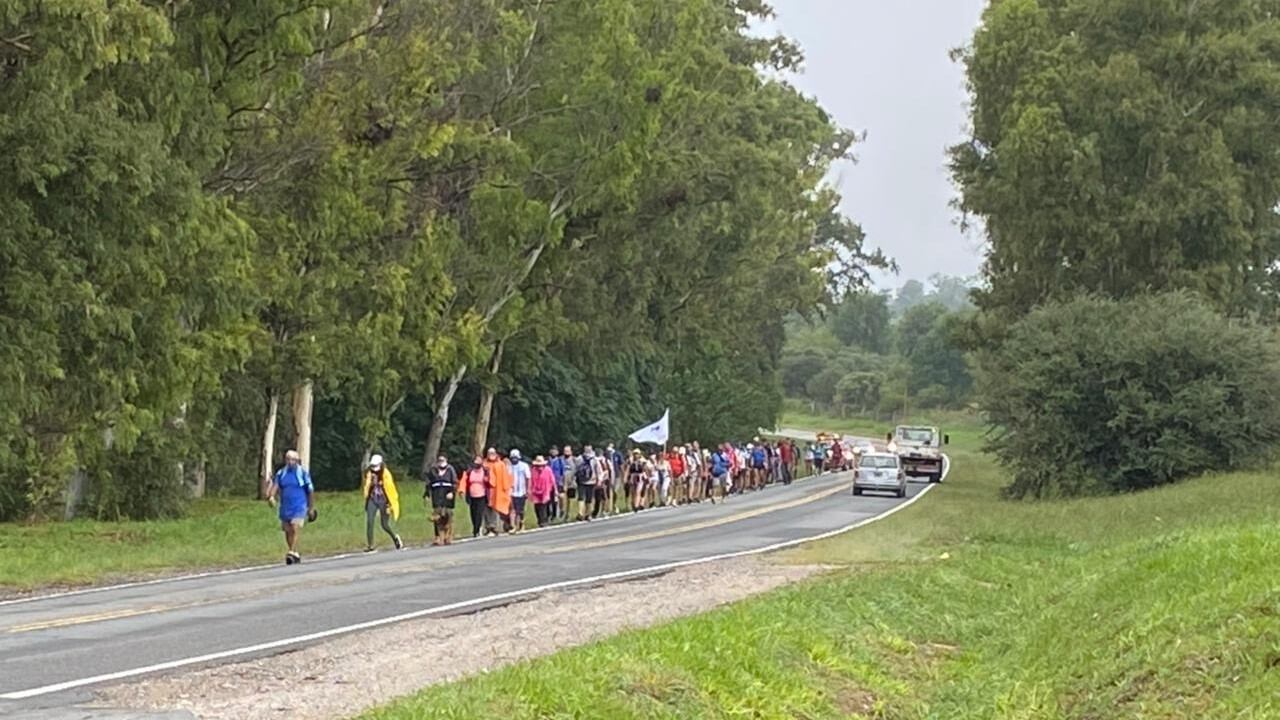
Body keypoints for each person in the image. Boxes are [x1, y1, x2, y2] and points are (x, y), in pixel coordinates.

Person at [267, 449, 315, 565]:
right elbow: (276, 485)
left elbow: (310, 490)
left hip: (299, 505)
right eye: (288, 459)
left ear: (297, 461)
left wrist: (310, 507)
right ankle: (294, 553)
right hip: (286, 507)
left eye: (292, 459)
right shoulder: (281, 473)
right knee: (288, 531)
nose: (290, 462)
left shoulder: (302, 473)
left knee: (295, 527)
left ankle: (291, 551)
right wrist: (271, 497)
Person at [361, 454, 403, 552]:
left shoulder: (386, 474)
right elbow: (367, 487)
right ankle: (370, 545)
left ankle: (395, 538)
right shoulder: (369, 473)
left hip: (384, 501)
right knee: (369, 521)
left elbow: (390, 490)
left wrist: (390, 505)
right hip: (373, 499)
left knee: (384, 524)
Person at [425, 454, 459, 545]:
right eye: (439, 460)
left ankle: (448, 536)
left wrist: (452, 492)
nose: (441, 462)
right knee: (437, 518)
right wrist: (427, 494)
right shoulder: (433, 470)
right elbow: (429, 483)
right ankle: (438, 537)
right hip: (437, 496)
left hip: (448, 497)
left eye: (443, 460)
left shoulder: (450, 470)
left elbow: (455, 482)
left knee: (448, 516)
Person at [482, 447, 513, 536]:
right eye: (489, 453)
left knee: (497, 508)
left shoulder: (501, 464)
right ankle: (488, 527)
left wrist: (507, 489)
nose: (491, 455)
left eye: (493, 453)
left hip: (497, 490)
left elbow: (505, 477)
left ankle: (495, 527)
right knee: (486, 509)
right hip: (486, 490)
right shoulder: (484, 464)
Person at [462, 455, 489, 538]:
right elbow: (465, 482)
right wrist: (462, 491)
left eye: (479, 461)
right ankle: (475, 527)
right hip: (472, 495)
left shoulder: (485, 471)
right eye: (475, 461)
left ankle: (477, 529)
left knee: (479, 513)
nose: (477, 463)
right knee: (473, 513)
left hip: (482, 495)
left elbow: (490, 482)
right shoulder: (470, 471)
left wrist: (487, 480)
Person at [529, 455, 556, 527]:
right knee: (537, 506)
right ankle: (539, 520)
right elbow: (531, 480)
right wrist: (530, 490)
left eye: (541, 465)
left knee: (544, 506)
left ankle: (544, 520)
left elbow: (552, 480)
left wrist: (555, 490)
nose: (539, 467)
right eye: (538, 465)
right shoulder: (533, 470)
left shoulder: (548, 470)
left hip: (546, 490)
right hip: (535, 491)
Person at [575, 445, 598, 521]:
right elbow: (597, 470)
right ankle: (588, 514)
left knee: (581, 497)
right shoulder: (594, 459)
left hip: (581, 480)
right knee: (589, 499)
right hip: (591, 480)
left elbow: (576, 469)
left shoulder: (579, 458)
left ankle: (580, 513)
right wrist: (598, 479)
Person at [509, 449, 530, 532]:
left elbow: (528, 478)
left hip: (522, 491)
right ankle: (513, 526)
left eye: (515, 457)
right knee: (512, 509)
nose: (514, 459)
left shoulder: (524, 466)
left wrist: (527, 490)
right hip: (512, 492)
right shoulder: (509, 467)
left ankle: (521, 523)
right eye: (513, 457)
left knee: (521, 510)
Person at [591, 447, 611, 518]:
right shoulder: (605, 460)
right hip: (603, 480)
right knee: (603, 497)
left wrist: (600, 480)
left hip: (600, 481)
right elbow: (609, 470)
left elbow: (603, 471)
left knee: (600, 497)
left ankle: (600, 511)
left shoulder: (596, 461)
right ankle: (603, 511)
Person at [561, 445, 579, 520]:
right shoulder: (561, 460)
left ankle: (569, 514)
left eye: (568, 451)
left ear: (571, 452)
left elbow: (577, 471)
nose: (566, 452)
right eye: (565, 451)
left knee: (570, 499)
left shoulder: (574, 460)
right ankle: (563, 511)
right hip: (562, 483)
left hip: (572, 483)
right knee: (562, 498)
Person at [548, 446, 564, 520]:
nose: (553, 452)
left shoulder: (560, 461)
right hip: (548, 483)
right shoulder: (547, 460)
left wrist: (561, 481)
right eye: (552, 450)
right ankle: (549, 513)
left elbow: (562, 472)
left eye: (555, 451)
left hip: (557, 482)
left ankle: (556, 513)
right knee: (549, 499)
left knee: (556, 498)